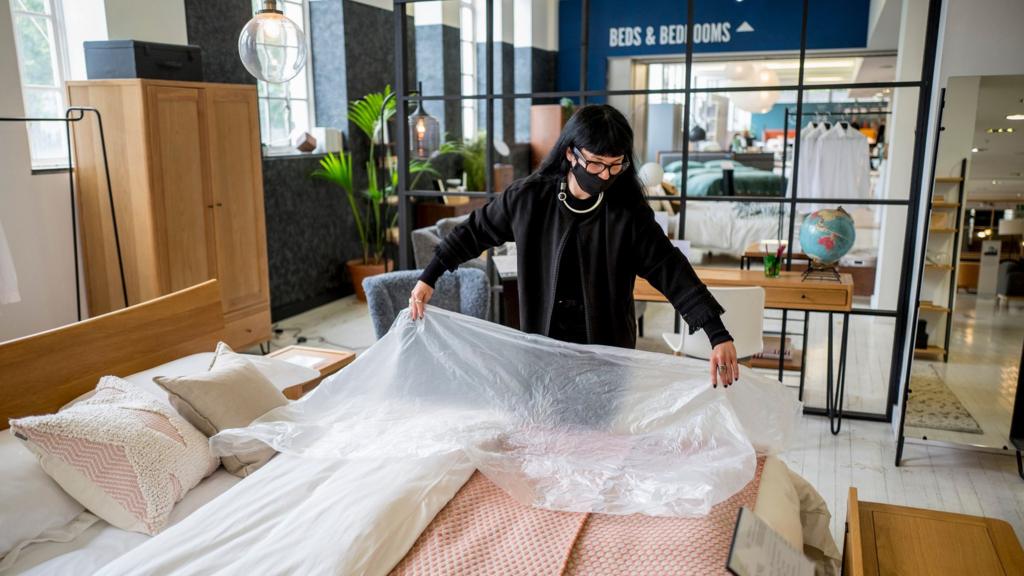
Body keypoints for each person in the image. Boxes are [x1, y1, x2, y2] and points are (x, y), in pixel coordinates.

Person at [410, 105, 739, 387]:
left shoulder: (628, 213)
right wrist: (429, 277)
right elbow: (473, 232)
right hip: (543, 348)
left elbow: (671, 269)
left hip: (607, 353)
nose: (606, 175)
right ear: (571, 153)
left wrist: (717, 332)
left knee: (597, 445)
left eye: (616, 165)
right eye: (596, 163)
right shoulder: (529, 198)